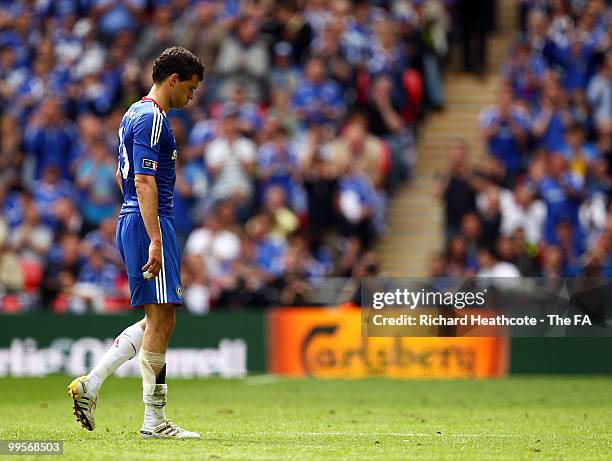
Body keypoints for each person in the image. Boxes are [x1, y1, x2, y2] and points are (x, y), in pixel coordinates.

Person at [66, 46, 204, 439]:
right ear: (173, 80)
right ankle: (153, 421)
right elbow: (142, 180)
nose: (190, 98)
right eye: (190, 89)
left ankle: (91, 384)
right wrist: (155, 237)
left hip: (136, 218)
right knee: (163, 319)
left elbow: (120, 175)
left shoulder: (131, 114)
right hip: (149, 221)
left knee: (158, 318)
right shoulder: (153, 118)